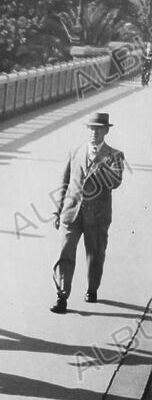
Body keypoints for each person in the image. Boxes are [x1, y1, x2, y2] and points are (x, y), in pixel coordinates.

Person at [51, 112, 126, 313]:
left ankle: (92, 289)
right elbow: (63, 183)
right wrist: (57, 211)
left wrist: (98, 162)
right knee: (65, 253)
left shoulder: (115, 155)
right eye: (91, 128)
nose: (94, 132)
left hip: (98, 217)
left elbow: (115, 181)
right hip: (71, 213)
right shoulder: (75, 152)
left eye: (98, 129)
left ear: (106, 130)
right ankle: (62, 296)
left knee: (95, 255)